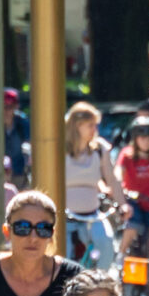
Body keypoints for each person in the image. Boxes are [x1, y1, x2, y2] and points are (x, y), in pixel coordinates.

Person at [61, 102, 123, 272]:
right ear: (77, 126)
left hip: (93, 215)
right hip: (65, 218)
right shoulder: (59, 150)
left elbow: (112, 179)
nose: (94, 129)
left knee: (107, 246)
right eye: (90, 125)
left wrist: (123, 205)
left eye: (96, 125)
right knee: (62, 256)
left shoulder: (100, 149)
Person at [115, 114, 149, 257]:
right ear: (135, 138)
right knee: (134, 224)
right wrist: (118, 186)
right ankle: (121, 254)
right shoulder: (127, 154)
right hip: (133, 200)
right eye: (142, 137)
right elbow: (118, 173)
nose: (146, 141)